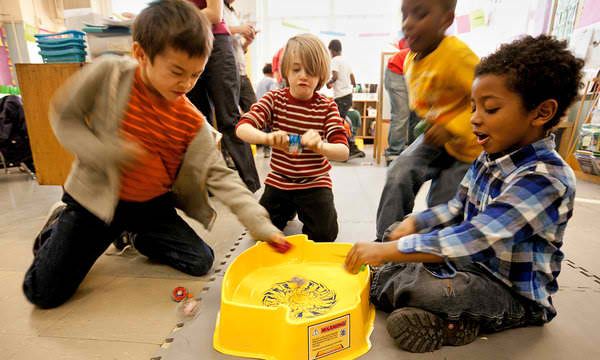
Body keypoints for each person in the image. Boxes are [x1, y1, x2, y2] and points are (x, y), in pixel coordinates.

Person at [22, 0, 286, 309]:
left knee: (200, 260)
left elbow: (220, 176)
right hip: (98, 201)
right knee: (42, 293)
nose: (186, 84)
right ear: (140, 54)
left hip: (150, 207)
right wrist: (103, 152)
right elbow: (64, 116)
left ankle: (134, 236)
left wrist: (261, 224)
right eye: (177, 72)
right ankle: (59, 225)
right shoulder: (111, 73)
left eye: (195, 75)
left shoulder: (191, 121)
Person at [345, 34, 583, 353]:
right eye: (472, 107)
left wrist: (391, 252)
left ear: (541, 113)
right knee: (393, 232)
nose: (474, 118)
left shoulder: (545, 179)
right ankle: (399, 284)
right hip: (471, 265)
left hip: (509, 292)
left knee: (427, 288)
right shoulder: (489, 157)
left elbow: (474, 238)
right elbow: (458, 208)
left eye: (491, 108)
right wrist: (415, 223)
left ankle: (449, 321)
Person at [375, 0, 480, 242]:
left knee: (444, 201)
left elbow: (486, 100)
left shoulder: (457, 55)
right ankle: (385, 242)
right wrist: (431, 122)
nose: (408, 23)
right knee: (399, 172)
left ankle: (433, 252)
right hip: (437, 140)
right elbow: (422, 102)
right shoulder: (411, 59)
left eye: (420, 14)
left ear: (447, 19)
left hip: (469, 148)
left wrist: (452, 126)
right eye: (405, 15)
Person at [236, 34, 349, 242]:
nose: (303, 76)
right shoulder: (274, 99)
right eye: (296, 69)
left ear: (322, 75)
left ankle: (295, 210)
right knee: (260, 233)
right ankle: (288, 210)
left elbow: (343, 152)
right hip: (280, 182)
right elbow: (242, 128)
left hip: (315, 183)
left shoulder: (327, 106)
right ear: (286, 71)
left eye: (311, 71)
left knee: (325, 236)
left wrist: (320, 146)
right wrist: (267, 138)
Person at [187, 0, 260, 191]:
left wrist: (174, 18)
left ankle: (250, 183)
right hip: (188, 44)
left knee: (229, 118)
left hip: (216, 44)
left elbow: (214, 14)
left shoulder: (227, 12)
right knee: (199, 123)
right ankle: (210, 184)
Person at [326, 39, 365, 159]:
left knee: (339, 123)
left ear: (332, 50)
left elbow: (335, 76)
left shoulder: (335, 61)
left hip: (341, 96)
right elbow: (353, 78)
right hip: (348, 95)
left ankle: (351, 148)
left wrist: (329, 83)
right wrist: (349, 86)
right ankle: (349, 146)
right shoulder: (346, 61)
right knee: (342, 122)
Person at [223, 0, 257, 113]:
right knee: (231, 113)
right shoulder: (219, 9)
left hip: (241, 70)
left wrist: (247, 42)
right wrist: (240, 29)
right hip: (227, 70)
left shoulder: (233, 12)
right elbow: (216, 29)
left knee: (255, 110)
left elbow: (239, 48)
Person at [384, 39, 411, 165]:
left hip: (408, 73)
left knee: (416, 114)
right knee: (401, 114)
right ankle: (394, 153)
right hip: (397, 71)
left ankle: (411, 151)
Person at [255, 63, 279, 158]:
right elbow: (273, 94)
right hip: (268, 108)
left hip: (260, 108)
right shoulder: (272, 81)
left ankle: (265, 149)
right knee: (269, 130)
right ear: (272, 72)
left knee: (264, 130)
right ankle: (267, 150)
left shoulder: (260, 82)